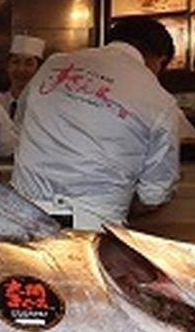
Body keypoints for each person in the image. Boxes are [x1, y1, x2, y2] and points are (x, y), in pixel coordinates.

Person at [11, 17, 180, 230]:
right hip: (92, 228)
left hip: (22, 217)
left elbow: (19, 126)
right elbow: (154, 195)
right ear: (160, 59)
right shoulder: (160, 100)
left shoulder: (53, 64)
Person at [0, 34, 45, 127]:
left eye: (29, 63)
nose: (21, 69)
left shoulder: (44, 106)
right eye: (16, 62)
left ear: (38, 69)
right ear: (7, 66)